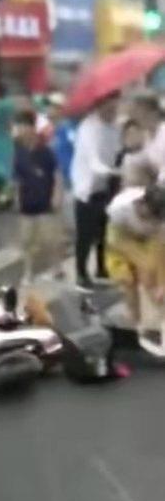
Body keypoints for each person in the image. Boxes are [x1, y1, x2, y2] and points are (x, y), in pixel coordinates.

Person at [106, 183, 165, 351]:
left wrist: (161, 283)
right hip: (121, 239)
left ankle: (156, 326)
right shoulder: (119, 208)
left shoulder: (160, 220)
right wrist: (138, 264)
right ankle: (135, 327)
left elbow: (161, 251)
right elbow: (116, 242)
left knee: (154, 282)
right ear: (142, 203)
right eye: (151, 214)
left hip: (149, 240)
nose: (154, 219)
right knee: (127, 281)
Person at [71, 91, 121, 287]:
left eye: (115, 105)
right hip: (87, 189)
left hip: (108, 186)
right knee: (85, 234)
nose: (113, 110)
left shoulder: (115, 127)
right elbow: (94, 163)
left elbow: (118, 152)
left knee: (105, 231)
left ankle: (102, 267)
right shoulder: (88, 128)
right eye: (109, 106)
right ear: (99, 105)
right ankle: (81, 273)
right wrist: (116, 171)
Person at [13, 110, 64, 285]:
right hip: (27, 202)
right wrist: (17, 198)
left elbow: (57, 174)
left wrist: (56, 195)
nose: (20, 130)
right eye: (18, 126)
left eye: (22, 126)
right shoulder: (19, 151)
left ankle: (57, 268)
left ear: (31, 128)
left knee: (49, 239)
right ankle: (27, 272)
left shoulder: (45, 151)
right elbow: (17, 178)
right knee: (26, 241)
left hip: (45, 201)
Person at [129, 91, 165, 184]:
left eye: (141, 113)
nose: (137, 118)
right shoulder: (147, 136)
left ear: (154, 113)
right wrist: (133, 148)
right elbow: (142, 160)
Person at [110, 119, 144, 197]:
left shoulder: (147, 154)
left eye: (135, 134)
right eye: (129, 134)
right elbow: (114, 181)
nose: (133, 137)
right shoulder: (120, 157)